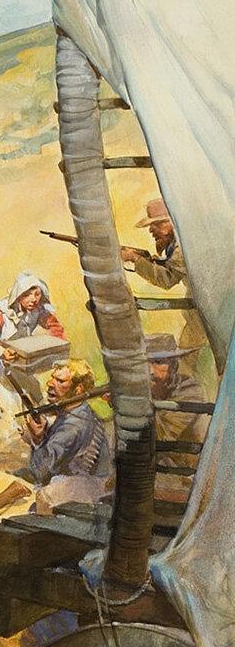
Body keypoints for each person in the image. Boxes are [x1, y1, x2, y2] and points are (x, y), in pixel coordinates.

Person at [120, 198, 206, 378]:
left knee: (188, 364)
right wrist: (149, 259)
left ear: (172, 222)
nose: (152, 230)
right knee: (188, 362)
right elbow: (170, 266)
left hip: (206, 316)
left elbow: (166, 279)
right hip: (202, 315)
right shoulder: (181, 242)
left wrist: (135, 259)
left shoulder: (183, 247)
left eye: (157, 225)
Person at [26, 359, 111, 491]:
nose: (50, 383)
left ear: (78, 389)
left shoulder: (73, 426)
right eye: (52, 378)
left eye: (60, 381)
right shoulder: (80, 411)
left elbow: (40, 472)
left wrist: (37, 440)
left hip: (77, 492)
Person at [0, 271, 67, 378]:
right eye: (27, 295)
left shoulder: (38, 310)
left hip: (20, 359)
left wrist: (58, 349)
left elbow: (56, 328)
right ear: (18, 295)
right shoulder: (1, 311)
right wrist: (1, 351)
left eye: (37, 294)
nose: (34, 299)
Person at [146, 333, 209, 472]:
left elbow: (163, 435)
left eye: (158, 362)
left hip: (185, 474)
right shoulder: (148, 390)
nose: (150, 371)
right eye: (144, 363)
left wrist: (131, 404)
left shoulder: (190, 390)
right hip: (154, 469)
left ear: (174, 365)